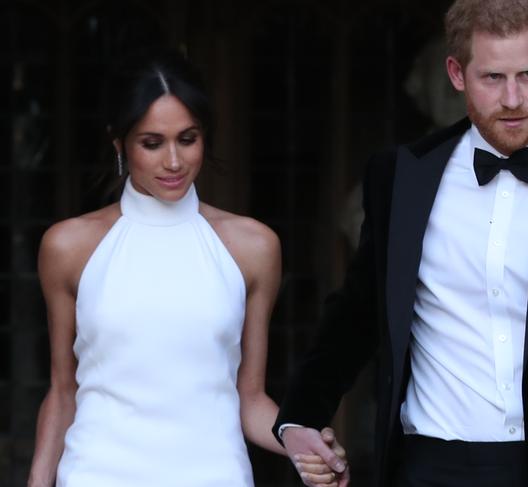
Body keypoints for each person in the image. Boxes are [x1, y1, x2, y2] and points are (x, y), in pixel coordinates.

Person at [273, 0, 528, 486]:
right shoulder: (400, 177)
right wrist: (300, 415)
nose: (513, 98)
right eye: (493, 78)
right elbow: (359, 311)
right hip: (431, 465)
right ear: (456, 73)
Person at [27, 50, 343, 487]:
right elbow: (63, 392)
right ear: (119, 144)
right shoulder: (68, 247)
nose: (174, 162)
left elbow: (248, 398)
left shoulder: (253, 247)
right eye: (152, 143)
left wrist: (297, 435)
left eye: (188, 138)